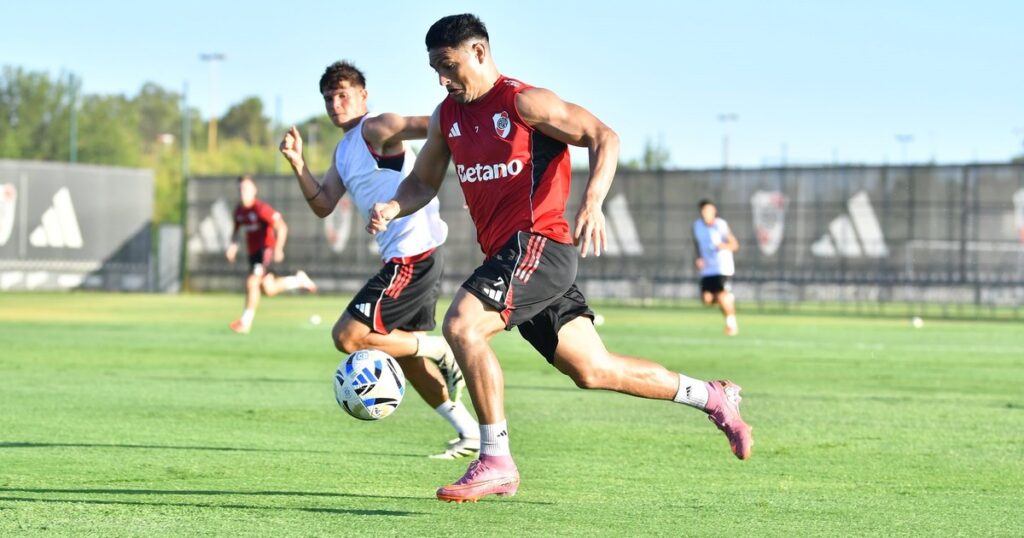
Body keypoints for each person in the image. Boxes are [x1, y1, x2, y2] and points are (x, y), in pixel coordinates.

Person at [367, 14, 753, 503]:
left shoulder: (524, 102)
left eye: (448, 65)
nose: (442, 79)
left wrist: (592, 202)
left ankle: (496, 460)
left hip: (538, 246)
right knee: (593, 369)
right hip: (514, 258)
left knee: (462, 327)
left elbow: (604, 136)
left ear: (479, 53)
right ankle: (712, 396)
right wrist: (392, 205)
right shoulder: (447, 117)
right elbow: (422, 182)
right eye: (434, 70)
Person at [279, 61, 479, 459]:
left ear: (363, 95)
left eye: (343, 95)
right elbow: (323, 204)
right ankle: (469, 432)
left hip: (413, 257)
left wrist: (474, 155)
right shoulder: (344, 150)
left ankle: (437, 348)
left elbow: (439, 124)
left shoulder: (376, 128)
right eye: (328, 98)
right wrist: (298, 164)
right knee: (405, 356)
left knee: (347, 337)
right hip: (407, 258)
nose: (335, 104)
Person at [226, 175, 317, 334]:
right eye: (240, 189)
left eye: (246, 188)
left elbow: (281, 227)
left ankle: (245, 323)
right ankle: (298, 280)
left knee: (252, 282)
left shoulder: (260, 209)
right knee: (269, 289)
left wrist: (278, 249)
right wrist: (232, 247)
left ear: (254, 190)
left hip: (266, 252)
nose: (243, 192)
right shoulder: (239, 212)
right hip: (254, 255)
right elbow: (235, 232)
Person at [693, 199, 740, 335]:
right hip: (708, 269)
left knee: (720, 295)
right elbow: (698, 245)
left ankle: (731, 324)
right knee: (707, 299)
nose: (706, 213)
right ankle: (727, 298)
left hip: (722, 267)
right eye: (703, 211)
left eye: (708, 210)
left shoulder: (721, 225)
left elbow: (734, 245)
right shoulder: (697, 226)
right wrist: (699, 258)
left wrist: (723, 246)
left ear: (714, 211)